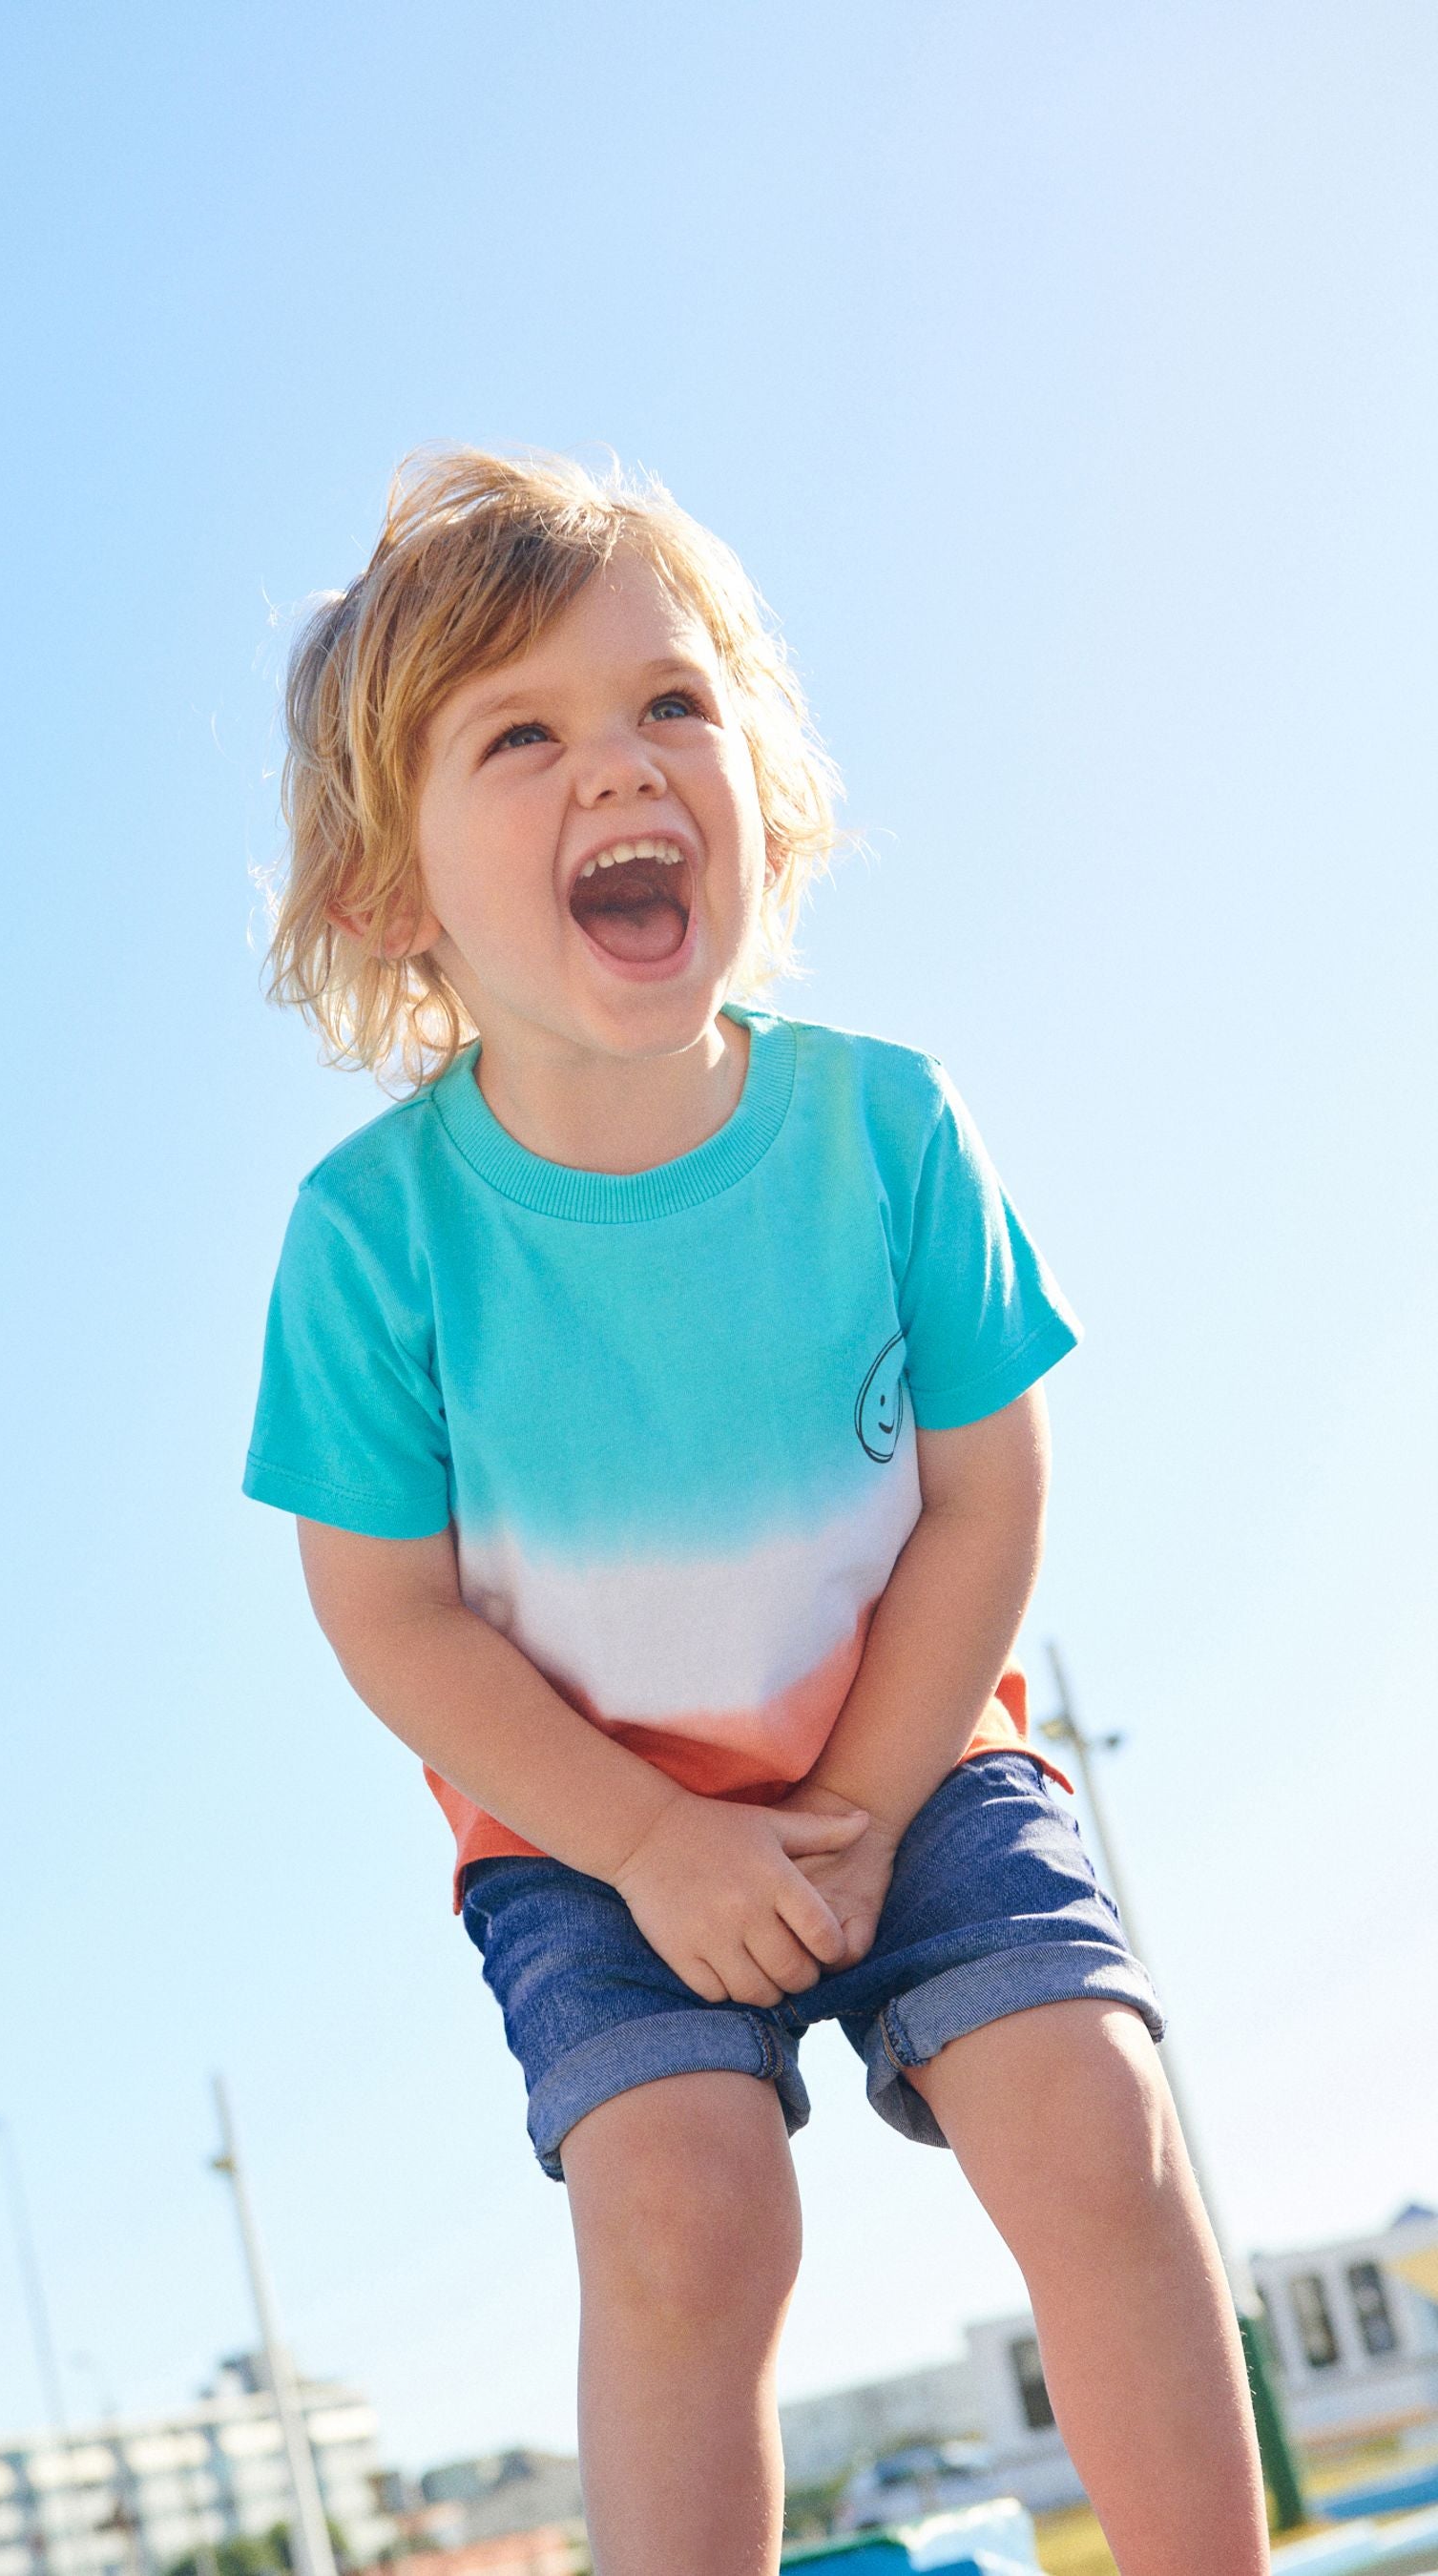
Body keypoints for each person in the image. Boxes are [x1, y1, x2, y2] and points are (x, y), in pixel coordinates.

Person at [243, 449, 1271, 2576]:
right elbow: (391, 1621)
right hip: (585, 1832)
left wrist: (877, 1805)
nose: (615, 764)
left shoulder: (886, 1131)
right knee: (688, 2209)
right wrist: (648, 1838)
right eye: (518, 735)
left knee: (1096, 2117)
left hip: (914, 1753)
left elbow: (989, 1488)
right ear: (387, 892)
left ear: (760, 780)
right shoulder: (374, 1242)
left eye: (667, 705)